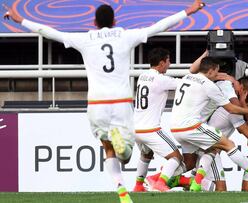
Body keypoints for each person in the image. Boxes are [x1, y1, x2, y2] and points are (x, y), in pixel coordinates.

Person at [4, 1, 204, 202]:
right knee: (125, 155)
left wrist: (20, 19)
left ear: (94, 22)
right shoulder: (124, 35)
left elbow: (49, 32)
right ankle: (122, 150)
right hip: (121, 102)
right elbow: (159, 26)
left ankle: (121, 189)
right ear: (115, 21)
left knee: (108, 150)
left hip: (97, 104)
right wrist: (188, 11)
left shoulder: (85, 39)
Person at [170, 57, 248, 192]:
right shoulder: (222, 93)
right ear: (241, 90)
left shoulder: (192, 78)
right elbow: (247, 131)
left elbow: (195, 70)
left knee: (196, 162)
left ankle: (177, 179)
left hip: (185, 132)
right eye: (247, 96)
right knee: (226, 150)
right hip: (195, 132)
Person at [133, 48, 187, 192]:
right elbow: (185, 85)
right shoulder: (161, 79)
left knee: (146, 155)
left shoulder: (142, 76)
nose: (169, 64)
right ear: (162, 63)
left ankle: (138, 186)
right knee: (176, 157)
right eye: (168, 61)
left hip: (136, 128)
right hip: (150, 129)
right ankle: (161, 183)